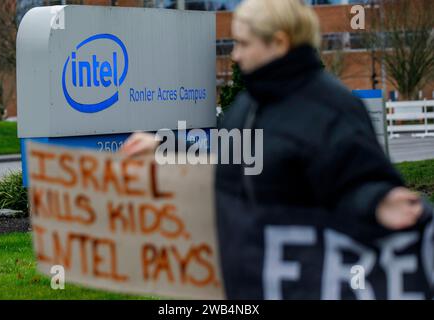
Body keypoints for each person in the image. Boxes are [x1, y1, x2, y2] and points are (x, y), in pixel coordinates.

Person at [120, 0, 433, 299]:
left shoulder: (333, 108)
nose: (235, 56)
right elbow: (229, 165)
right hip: (248, 284)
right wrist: (166, 149)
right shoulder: (247, 105)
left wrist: (377, 200)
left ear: (279, 43)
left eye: (243, 43)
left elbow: (359, 181)